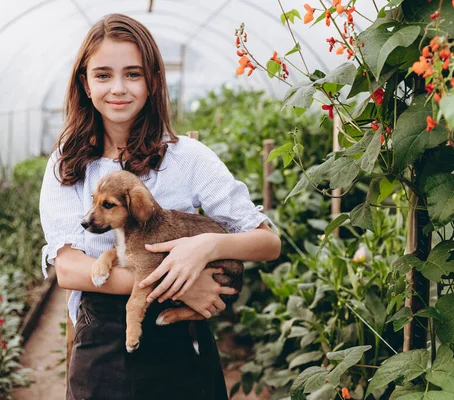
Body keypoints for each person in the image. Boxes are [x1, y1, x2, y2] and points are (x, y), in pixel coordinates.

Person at [39, 13, 281, 400]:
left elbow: (268, 243)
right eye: (102, 75)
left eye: (132, 74)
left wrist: (208, 246)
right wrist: (178, 289)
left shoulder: (188, 158)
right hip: (102, 344)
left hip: (181, 350)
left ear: (152, 81)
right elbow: (69, 269)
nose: (118, 88)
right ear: (84, 84)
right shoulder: (68, 164)